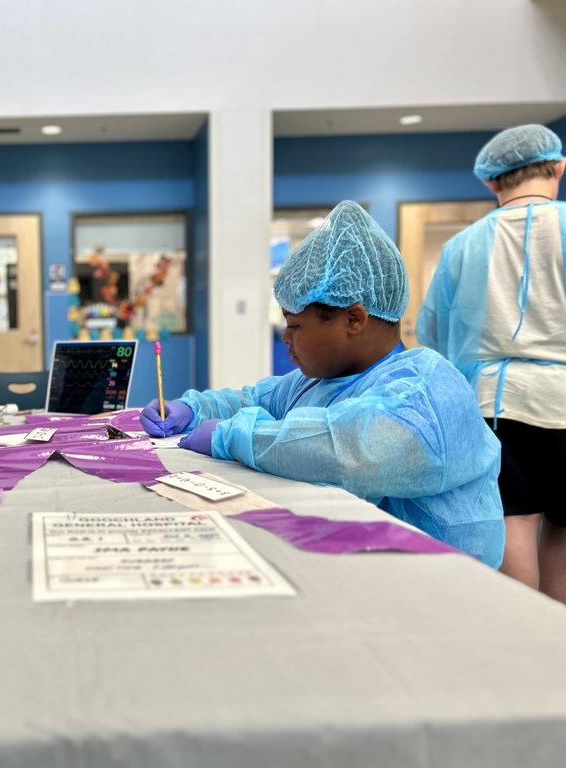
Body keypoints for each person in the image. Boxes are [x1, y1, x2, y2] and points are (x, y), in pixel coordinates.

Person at [141, 201, 505, 567]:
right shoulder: (318, 381)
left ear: (354, 319)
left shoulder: (426, 392)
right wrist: (193, 409)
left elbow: (343, 451)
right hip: (358, 563)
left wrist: (230, 436)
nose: (285, 338)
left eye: (295, 326)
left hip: (435, 575)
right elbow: (257, 399)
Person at [417, 124, 566, 598]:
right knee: (563, 532)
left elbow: (432, 334)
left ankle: (519, 635)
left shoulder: (463, 245)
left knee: (514, 522)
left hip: (495, 407)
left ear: (489, 181)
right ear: (559, 167)